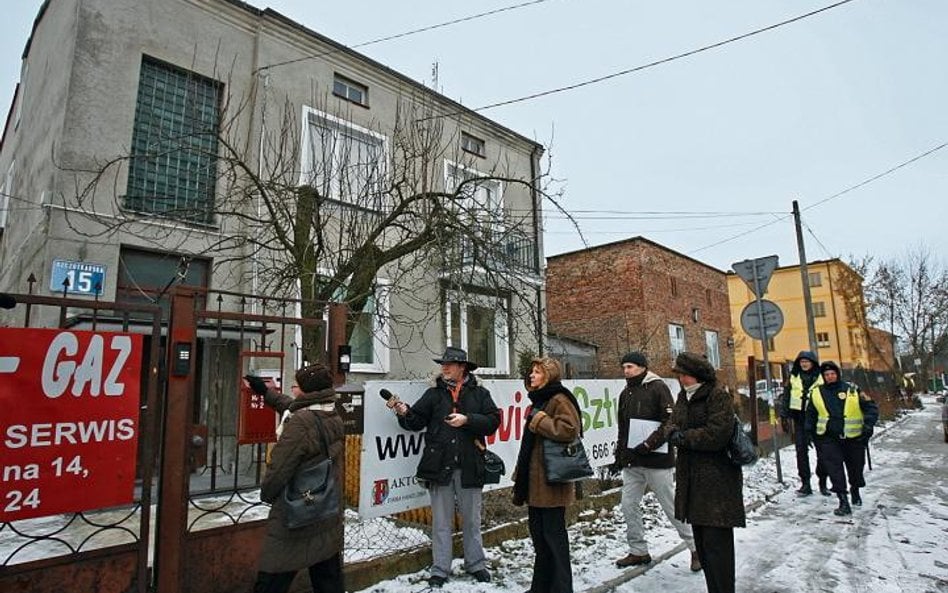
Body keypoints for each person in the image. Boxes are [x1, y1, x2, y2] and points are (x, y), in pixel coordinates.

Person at [387, 347, 500, 588]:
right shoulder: (433, 395)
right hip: (439, 467)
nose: (444, 368)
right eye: (443, 364)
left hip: (470, 465)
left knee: (471, 521)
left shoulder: (480, 394)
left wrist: (468, 420)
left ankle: (476, 564)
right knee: (440, 522)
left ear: (463, 368)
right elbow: (415, 422)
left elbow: (493, 422)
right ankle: (440, 569)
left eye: (450, 364)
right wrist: (403, 412)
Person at [246, 363, 345, 593]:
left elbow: (279, 469)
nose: (294, 388)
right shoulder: (328, 410)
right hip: (323, 504)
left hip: (296, 510)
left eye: (297, 385)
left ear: (308, 391)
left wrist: (267, 494)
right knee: (327, 574)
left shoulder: (301, 423)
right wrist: (264, 391)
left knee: (273, 575)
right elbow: (289, 405)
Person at [610, 351, 699, 572]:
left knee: (671, 507)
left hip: (657, 459)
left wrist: (650, 443)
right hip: (633, 461)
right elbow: (623, 427)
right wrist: (619, 456)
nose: (626, 371)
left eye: (630, 366)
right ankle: (638, 551)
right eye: (624, 367)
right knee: (628, 505)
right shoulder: (626, 393)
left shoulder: (658, 387)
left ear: (642, 367)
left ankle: (696, 548)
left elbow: (670, 421)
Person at [665, 352, 745, 593]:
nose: (680, 379)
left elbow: (716, 435)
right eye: (679, 375)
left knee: (717, 546)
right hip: (691, 480)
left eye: (684, 375)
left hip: (717, 482)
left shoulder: (717, 396)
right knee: (702, 542)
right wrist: (672, 431)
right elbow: (674, 424)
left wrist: (683, 437)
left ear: (696, 375)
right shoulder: (683, 397)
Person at [512, 356, 582, 593]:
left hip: (552, 480)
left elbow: (570, 430)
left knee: (554, 539)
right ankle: (540, 587)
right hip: (536, 481)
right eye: (531, 372)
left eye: (537, 372)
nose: (532, 375)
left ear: (549, 375)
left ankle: (562, 588)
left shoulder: (559, 399)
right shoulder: (540, 400)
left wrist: (540, 420)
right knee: (540, 540)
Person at [804, 361, 879, 516]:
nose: (830, 377)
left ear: (837, 374)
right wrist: (809, 432)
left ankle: (855, 489)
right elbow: (810, 415)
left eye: (832, 374)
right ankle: (843, 500)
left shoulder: (853, 389)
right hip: (828, 438)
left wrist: (868, 425)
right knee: (835, 469)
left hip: (854, 438)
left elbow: (871, 407)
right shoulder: (817, 393)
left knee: (856, 468)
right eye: (826, 375)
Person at [778, 351, 830, 496]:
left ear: (812, 362)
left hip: (818, 418)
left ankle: (823, 482)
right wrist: (784, 416)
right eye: (802, 362)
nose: (804, 364)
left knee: (822, 451)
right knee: (801, 451)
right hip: (799, 418)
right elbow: (787, 396)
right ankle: (805, 483)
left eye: (807, 361)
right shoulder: (793, 377)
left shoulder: (821, 377)